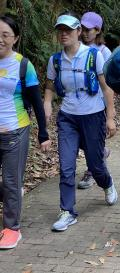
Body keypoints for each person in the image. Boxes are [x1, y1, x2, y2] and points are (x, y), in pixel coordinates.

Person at [43, 11, 117, 232]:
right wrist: (47, 106)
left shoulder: (94, 55)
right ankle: (67, 211)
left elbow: (106, 88)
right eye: (60, 31)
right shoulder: (55, 60)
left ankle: (107, 183)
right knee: (66, 166)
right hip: (67, 116)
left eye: (68, 30)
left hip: (93, 115)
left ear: (78, 32)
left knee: (95, 164)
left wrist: (110, 118)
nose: (63, 34)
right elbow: (48, 88)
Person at [0, 15, 51, 249]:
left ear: (15, 38)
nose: (0, 39)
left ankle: (12, 228)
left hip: (15, 131)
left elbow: (37, 102)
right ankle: (13, 196)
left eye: (5, 35)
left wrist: (44, 133)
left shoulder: (23, 65)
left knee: (11, 181)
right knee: (11, 186)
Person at [78, 11, 112, 190]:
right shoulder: (77, 48)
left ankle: (92, 170)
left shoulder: (104, 52)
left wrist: (110, 109)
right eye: (82, 28)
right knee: (82, 139)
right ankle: (101, 153)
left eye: (88, 29)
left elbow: (109, 80)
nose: (84, 32)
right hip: (80, 103)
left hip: (98, 103)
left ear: (97, 30)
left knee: (94, 138)